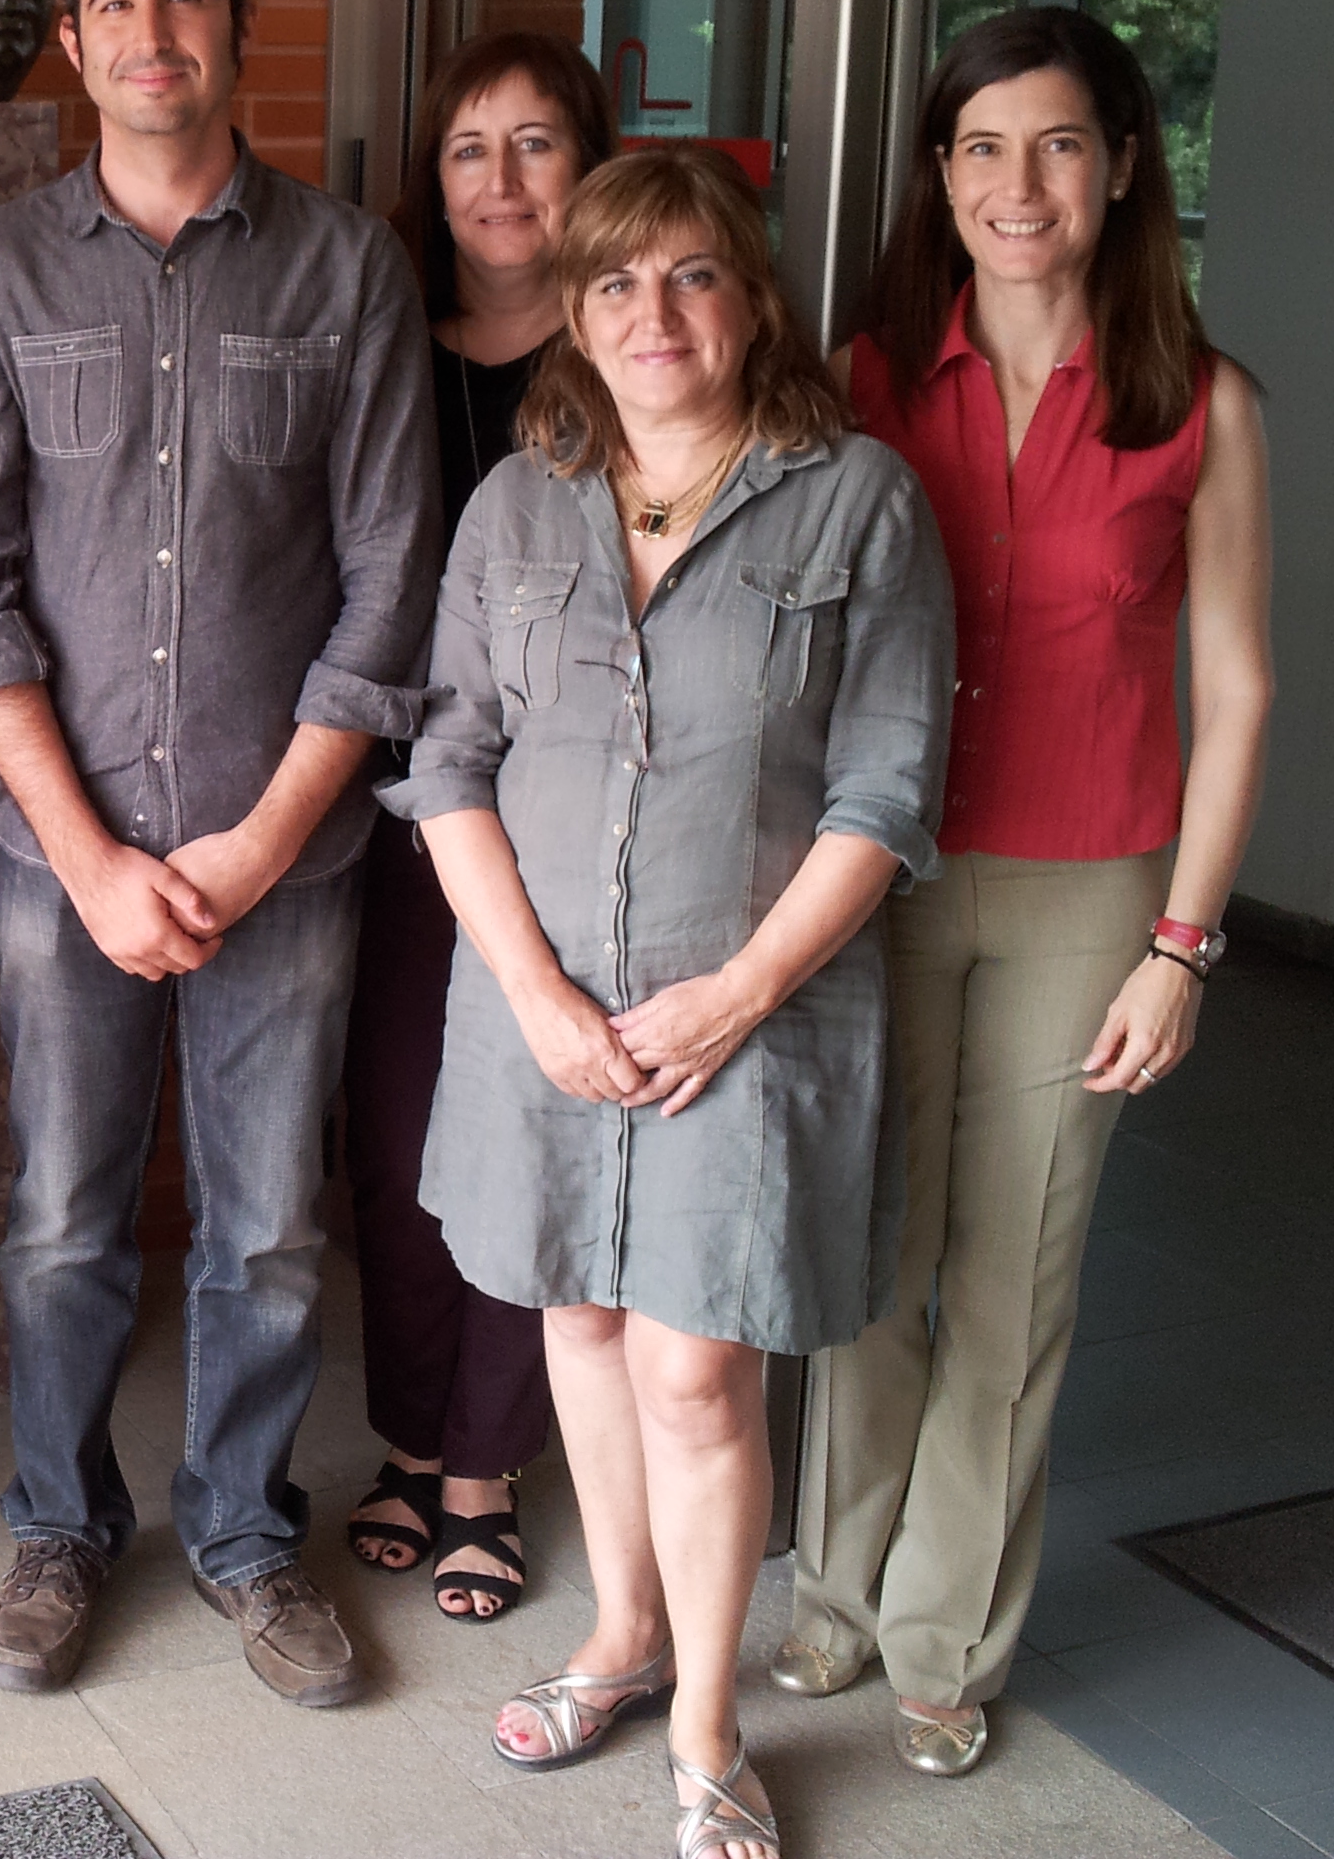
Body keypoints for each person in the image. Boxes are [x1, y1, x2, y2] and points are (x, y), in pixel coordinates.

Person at [0, 0, 436, 1710]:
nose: (155, 33)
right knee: (62, 1217)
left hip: (285, 849)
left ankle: (242, 1534)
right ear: (73, 41)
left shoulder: (347, 269)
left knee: (271, 1229)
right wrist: (91, 857)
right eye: (118, 3)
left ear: (238, 23)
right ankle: (60, 1527)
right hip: (55, 855)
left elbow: (391, 583)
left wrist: (265, 837)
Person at [398, 145, 953, 1859]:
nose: (656, 312)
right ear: (575, 313)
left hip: (757, 1016)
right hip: (541, 1011)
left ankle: (708, 1722)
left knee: (699, 1371)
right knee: (576, 1318)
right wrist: (539, 996)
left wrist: (736, 995)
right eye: (618, 280)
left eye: (693, 273)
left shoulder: (859, 502)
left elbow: (886, 792)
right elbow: (450, 760)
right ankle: (621, 1637)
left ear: (751, 300)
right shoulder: (516, 505)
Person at [779, 8, 1273, 1779]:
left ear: (1123, 166)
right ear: (941, 174)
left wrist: (1181, 947)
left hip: (1089, 890)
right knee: (872, 1252)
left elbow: (1239, 689)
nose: (1020, 183)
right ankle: (833, 1586)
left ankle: (945, 1638)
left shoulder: (1201, 404)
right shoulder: (861, 378)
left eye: (1059, 144)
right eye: (982, 147)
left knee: (1013, 1276)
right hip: (884, 873)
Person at [343, 32, 613, 1622]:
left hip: (570, 825)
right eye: (469, 149)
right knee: (396, 1143)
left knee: (531, 1132)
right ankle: (410, 1431)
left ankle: (486, 1467)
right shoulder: (389, 348)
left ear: (590, 165)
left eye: (537, 144)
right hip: (405, 816)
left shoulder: (631, 353)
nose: (502, 181)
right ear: (430, 179)